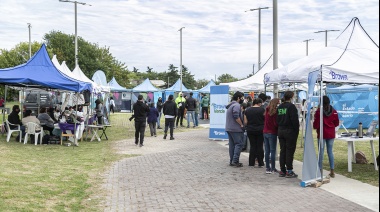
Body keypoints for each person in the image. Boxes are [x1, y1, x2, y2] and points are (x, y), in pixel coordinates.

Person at [313, 95, 339, 178]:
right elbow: (336, 123)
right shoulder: (334, 111)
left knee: (321, 152)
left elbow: (316, 124)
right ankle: (332, 171)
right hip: (331, 134)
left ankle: (320, 171)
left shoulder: (318, 112)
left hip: (322, 134)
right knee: (330, 152)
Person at [277, 91, 300, 178]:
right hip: (289, 131)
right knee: (289, 151)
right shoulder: (291, 107)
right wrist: (296, 131)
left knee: (283, 150)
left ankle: (282, 170)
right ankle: (289, 170)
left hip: (281, 130)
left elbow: (277, 119)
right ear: (291, 97)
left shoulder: (280, 107)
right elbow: (294, 120)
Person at [225, 91, 245, 167]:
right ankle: (235, 160)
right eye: (242, 98)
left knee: (232, 145)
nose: (243, 99)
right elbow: (236, 116)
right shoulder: (236, 105)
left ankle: (232, 160)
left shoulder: (230, 105)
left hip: (229, 127)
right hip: (236, 128)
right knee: (239, 144)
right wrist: (241, 124)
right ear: (238, 98)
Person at [244, 98, 265, 167]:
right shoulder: (262, 110)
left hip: (250, 129)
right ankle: (260, 162)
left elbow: (245, 122)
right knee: (260, 146)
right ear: (259, 103)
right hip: (260, 129)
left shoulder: (247, 110)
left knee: (252, 146)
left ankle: (251, 162)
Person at [263, 98, 280, 174]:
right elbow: (275, 124)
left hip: (265, 131)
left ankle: (267, 167)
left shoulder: (266, 110)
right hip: (272, 132)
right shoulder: (274, 112)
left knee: (267, 151)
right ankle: (273, 168)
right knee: (272, 151)